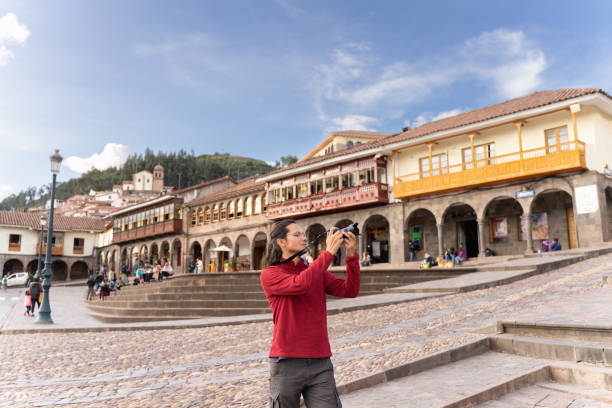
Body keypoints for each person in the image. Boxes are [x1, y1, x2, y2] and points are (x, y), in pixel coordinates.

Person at [260, 219, 360, 407]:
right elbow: (300, 284)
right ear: (281, 242)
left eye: (304, 233)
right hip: (286, 361)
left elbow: (350, 290)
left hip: (320, 360)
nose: (304, 238)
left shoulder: (314, 271)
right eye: (297, 234)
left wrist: (351, 255)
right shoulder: (270, 274)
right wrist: (329, 253)